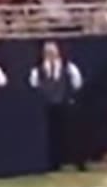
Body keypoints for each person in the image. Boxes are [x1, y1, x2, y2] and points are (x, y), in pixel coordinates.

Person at [29, 41, 84, 171]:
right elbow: (34, 85)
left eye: (53, 50)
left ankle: (77, 161)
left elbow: (77, 83)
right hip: (47, 107)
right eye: (47, 51)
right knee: (52, 136)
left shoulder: (68, 67)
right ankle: (54, 163)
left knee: (71, 134)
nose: (50, 53)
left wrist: (70, 95)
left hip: (65, 105)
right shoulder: (38, 70)